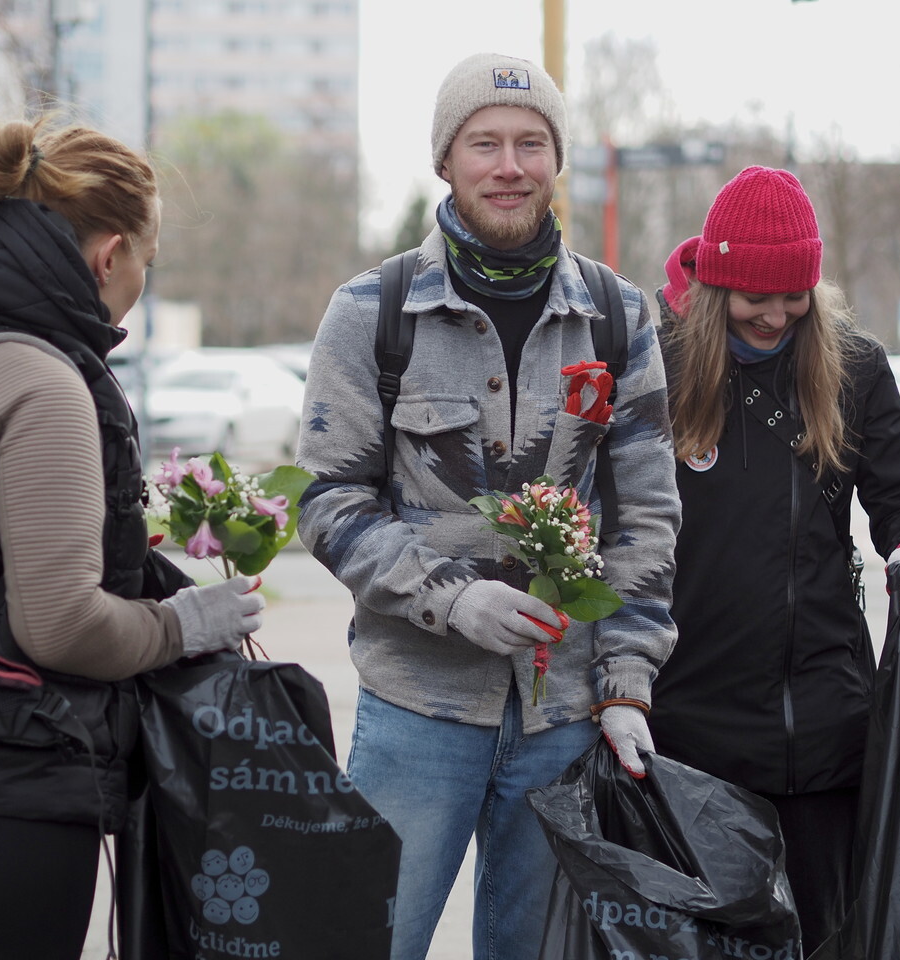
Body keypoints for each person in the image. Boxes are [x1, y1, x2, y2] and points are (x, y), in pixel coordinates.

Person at [0, 118, 266, 960]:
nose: (142, 278)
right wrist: (188, 624)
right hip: (1, 795)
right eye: (148, 258)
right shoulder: (40, 380)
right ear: (109, 257)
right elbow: (61, 624)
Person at [295, 52, 681, 960]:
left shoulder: (618, 319)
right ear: (446, 161)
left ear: (556, 160)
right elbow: (326, 498)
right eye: (485, 144)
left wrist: (628, 684)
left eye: (532, 143)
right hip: (417, 709)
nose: (510, 165)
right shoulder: (371, 314)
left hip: (567, 718)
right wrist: (451, 596)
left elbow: (646, 520)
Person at [648, 165, 900, 954]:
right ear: (717, 287)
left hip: (825, 730)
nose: (776, 315)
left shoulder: (854, 368)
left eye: (794, 297)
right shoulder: (658, 367)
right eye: (755, 298)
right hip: (693, 732)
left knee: (828, 937)